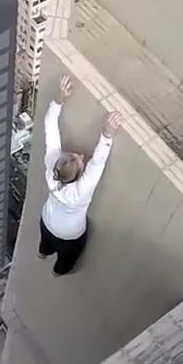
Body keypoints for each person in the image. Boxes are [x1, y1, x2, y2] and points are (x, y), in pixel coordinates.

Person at [38, 73, 122, 275]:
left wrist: (58, 99)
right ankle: (57, 271)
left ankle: (42, 253)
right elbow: (99, 161)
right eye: (81, 160)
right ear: (79, 176)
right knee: (66, 259)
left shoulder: (51, 168)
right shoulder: (82, 190)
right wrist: (107, 133)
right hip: (69, 235)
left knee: (46, 243)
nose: (81, 155)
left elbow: (50, 127)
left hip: (47, 221)